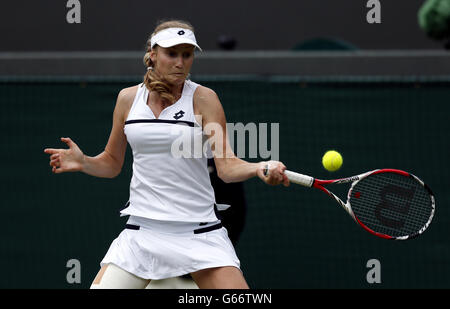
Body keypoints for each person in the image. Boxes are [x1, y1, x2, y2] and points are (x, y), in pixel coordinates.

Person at [44, 19, 289, 289]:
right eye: (172, 54)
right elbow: (112, 163)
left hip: (199, 233)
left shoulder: (205, 99)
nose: (180, 62)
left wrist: (257, 168)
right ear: (152, 54)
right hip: (142, 232)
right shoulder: (127, 99)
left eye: (187, 55)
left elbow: (227, 167)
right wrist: (84, 162)